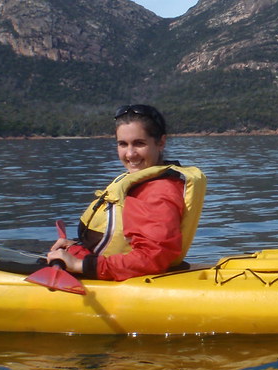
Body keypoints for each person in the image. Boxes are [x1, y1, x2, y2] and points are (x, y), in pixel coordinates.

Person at [46, 104, 207, 280]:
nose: (130, 154)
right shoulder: (142, 180)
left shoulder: (157, 192)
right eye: (123, 144)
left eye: (139, 143)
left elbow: (153, 257)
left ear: (161, 142)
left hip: (125, 278)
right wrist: (75, 249)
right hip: (112, 269)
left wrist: (80, 265)